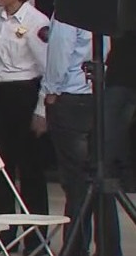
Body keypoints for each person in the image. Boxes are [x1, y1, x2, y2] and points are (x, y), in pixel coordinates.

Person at [0, 0, 50, 255]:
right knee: (1, 169)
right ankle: (4, 238)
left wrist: (41, 111)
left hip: (24, 95)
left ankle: (36, 240)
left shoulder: (36, 22)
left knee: (30, 171)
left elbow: (47, 70)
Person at [44, 16, 121, 256]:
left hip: (71, 98)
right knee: (100, 176)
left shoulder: (68, 11)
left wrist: (51, 90)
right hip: (96, 95)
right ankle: (109, 248)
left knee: (76, 182)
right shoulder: (99, 7)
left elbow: (60, 52)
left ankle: (76, 247)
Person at [104, 30, 136, 193]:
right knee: (120, 132)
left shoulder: (117, 24)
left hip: (117, 81)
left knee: (110, 133)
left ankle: (108, 176)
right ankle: (126, 177)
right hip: (127, 81)